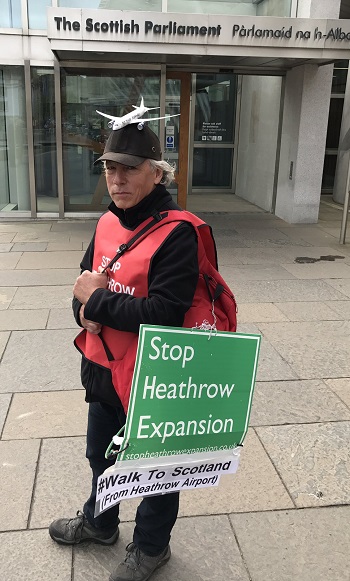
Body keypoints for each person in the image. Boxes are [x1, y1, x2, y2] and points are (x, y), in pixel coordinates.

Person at [48, 118, 200, 581]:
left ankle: (152, 547)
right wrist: (83, 312)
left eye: (130, 169)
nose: (117, 179)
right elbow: (82, 284)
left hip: (153, 378)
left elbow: (165, 312)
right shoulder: (106, 221)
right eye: (110, 168)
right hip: (103, 368)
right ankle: (101, 523)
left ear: (157, 172)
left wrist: (98, 302)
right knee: (101, 456)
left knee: (156, 469)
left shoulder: (179, 233)